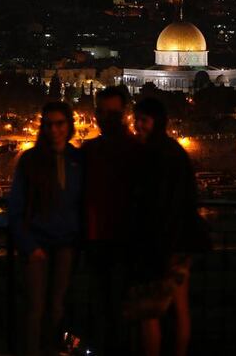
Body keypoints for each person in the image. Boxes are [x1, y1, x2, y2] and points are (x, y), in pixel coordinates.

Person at [128, 97, 211, 356]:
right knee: (179, 310)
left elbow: (163, 204)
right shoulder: (173, 151)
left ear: (156, 122)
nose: (138, 125)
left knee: (149, 312)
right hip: (177, 242)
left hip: (164, 244)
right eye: (136, 120)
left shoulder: (154, 154)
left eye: (143, 120)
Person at [9, 101, 83, 356]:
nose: (54, 129)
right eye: (49, 124)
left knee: (57, 308)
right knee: (36, 309)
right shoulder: (30, 161)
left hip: (65, 245)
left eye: (59, 124)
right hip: (37, 244)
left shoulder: (76, 159)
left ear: (68, 126)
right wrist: (29, 245)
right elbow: (16, 207)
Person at [81, 86, 142, 353]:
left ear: (124, 114)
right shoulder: (89, 151)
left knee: (125, 314)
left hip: (129, 243)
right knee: (102, 312)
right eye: (102, 113)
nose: (107, 119)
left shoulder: (138, 151)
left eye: (113, 114)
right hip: (97, 244)